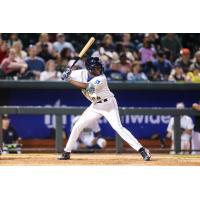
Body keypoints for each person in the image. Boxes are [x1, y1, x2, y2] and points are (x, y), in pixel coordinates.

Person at [58, 57, 151, 161]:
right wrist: (65, 72)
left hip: (108, 105)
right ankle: (66, 152)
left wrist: (69, 79)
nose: (99, 70)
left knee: (118, 128)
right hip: (95, 106)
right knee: (78, 126)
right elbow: (66, 74)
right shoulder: (81, 73)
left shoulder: (101, 78)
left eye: (99, 68)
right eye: (96, 68)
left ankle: (142, 150)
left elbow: (86, 87)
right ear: (89, 70)